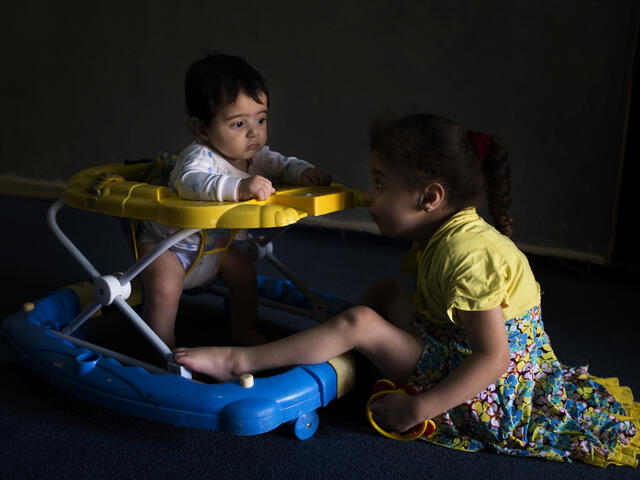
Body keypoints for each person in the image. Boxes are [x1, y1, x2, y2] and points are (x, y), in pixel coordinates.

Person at [172, 113, 638, 467]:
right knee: (384, 291)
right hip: (452, 343)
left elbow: (493, 359)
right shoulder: (445, 231)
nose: (370, 197)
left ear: (429, 198)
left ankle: (241, 360)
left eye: (380, 184)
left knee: (362, 321)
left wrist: (420, 407)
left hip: (485, 389)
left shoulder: (467, 254)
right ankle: (335, 344)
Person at [138, 52, 331, 349]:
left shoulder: (256, 157)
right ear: (203, 129)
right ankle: (162, 347)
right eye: (238, 124)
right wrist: (238, 187)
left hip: (215, 246)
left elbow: (283, 164)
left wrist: (303, 172)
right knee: (164, 289)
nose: (254, 133)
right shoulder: (199, 157)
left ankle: (244, 331)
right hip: (170, 247)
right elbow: (189, 183)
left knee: (245, 275)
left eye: (261, 119)